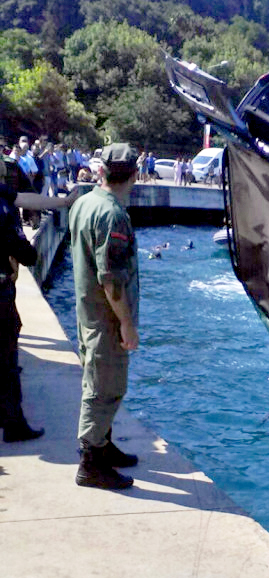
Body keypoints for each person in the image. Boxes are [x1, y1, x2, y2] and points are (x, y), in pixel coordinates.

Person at [69, 143, 140, 490]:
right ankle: (90, 463)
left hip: (88, 313)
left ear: (102, 171)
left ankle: (104, 444)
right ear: (135, 174)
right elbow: (110, 277)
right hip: (105, 319)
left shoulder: (84, 202)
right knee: (104, 389)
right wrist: (126, 322)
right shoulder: (112, 214)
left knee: (100, 382)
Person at [0, 157, 77, 442]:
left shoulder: (3, 193)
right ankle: (13, 424)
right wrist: (26, 254)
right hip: (0, 291)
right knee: (7, 360)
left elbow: (25, 198)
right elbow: (17, 244)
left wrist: (63, 203)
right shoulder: (1, 205)